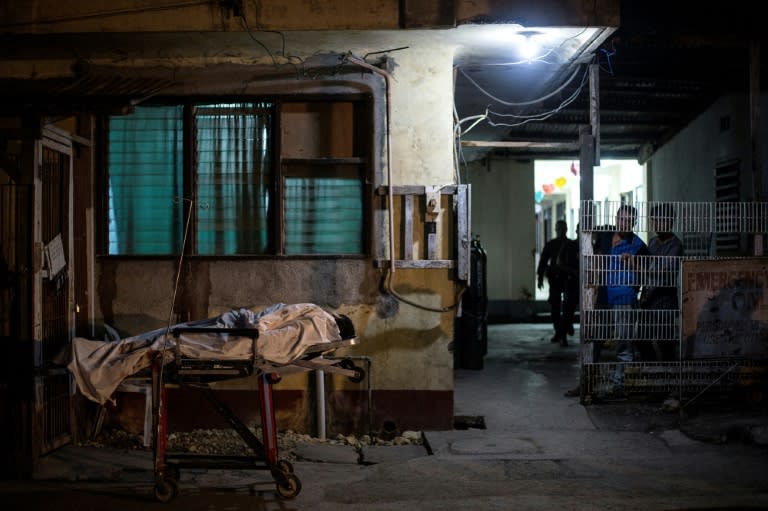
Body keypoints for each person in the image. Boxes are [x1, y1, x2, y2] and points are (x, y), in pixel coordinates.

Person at [607, 204, 648, 394]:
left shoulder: (638, 245)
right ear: (616, 218)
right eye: (622, 219)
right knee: (596, 338)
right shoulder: (605, 238)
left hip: (625, 298)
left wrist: (633, 263)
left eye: (630, 220)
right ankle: (595, 376)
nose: (625, 223)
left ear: (634, 222)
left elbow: (647, 274)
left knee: (624, 341)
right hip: (603, 298)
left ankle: (622, 382)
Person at [635, 203, 684, 361]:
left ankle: (668, 375)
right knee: (642, 338)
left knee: (665, 342)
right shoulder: (653, 242)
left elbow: (665, 271)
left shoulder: (676, 245)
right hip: (649, 297)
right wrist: (643, 292)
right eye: (654, 220)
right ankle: (650, 370)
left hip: (665, 298)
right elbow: (648, 266)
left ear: (670, 221)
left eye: (659, 220)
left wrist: (642, 270)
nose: (656, 224)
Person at [537, 220, 578, 346]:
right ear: (556, 230)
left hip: (567, 279)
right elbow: (543, 260)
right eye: (558, 229)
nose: (560, 231)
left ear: (566, 229)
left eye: (562, 229)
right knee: (555, 305)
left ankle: (565, 328)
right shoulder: (551, 244)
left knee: (568, 307)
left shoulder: (570, 244)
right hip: (555, 278)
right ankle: (559, 331)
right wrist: (540, 278)